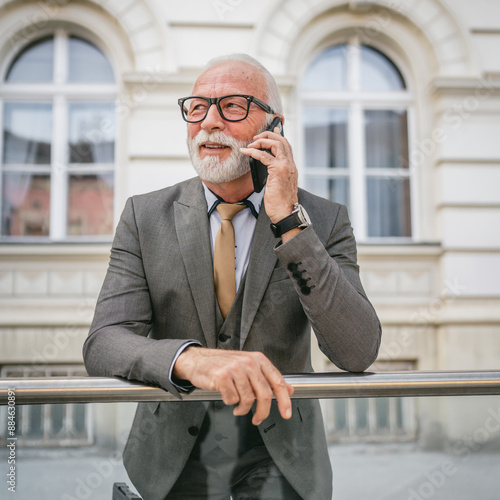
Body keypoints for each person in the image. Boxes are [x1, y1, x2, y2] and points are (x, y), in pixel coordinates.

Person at [83, 53, 381, 500]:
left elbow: (357, 350)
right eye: (198, 107)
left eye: (233, 106)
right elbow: (104, 341)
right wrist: (189, 359)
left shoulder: (324, 219)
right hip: (171, 457)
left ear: (273, 127)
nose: (209, 123)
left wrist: (289, 224)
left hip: (282, 458)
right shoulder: (144, 216)